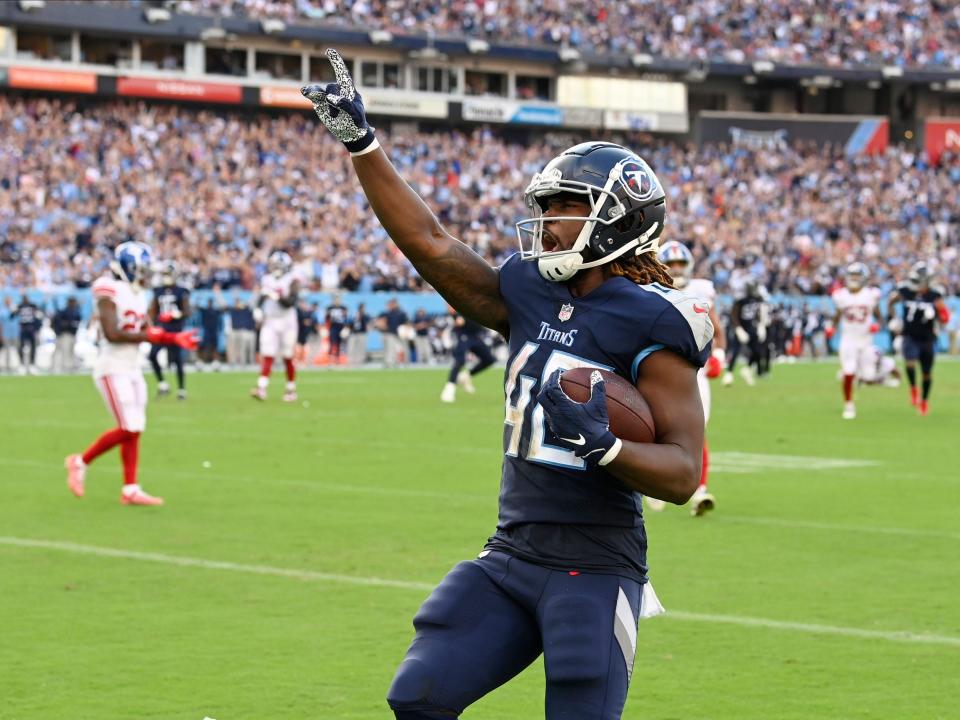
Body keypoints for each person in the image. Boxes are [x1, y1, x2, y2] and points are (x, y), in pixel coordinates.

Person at [303, 53, 711, 720]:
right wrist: (363, 146)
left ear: (619, 221)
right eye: (545, 207)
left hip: (596, 564)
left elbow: (683, 472)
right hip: (511, 552)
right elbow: (431, 244)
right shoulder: (526, 289)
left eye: (566, 209)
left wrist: (607, 447)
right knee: (418, 696)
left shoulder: (654, 322)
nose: (548, 222)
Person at [64, 242, 198, 506]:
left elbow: (148, 330)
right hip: (111, 367)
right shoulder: (107, 289)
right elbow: (114, 334)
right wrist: (153, 334)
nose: (146, 274)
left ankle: (130, 489)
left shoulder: (138, 293)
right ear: (127, 267)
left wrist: (174, 338)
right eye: (142, 269)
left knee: (136, 429)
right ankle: (80, 461)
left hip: (132, 367)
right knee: (128, 426)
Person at [651, 240, 726, 516]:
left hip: (696, 371)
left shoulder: (701, 290)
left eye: (681, 264)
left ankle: (700, 491)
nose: (677, 269)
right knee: (652, 427)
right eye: (671, 264)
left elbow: (717, 330)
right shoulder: (648, 289)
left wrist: (719, 356)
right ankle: (651, 482)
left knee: (698, 429)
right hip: (658, 371)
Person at [886, 262, 950, 416]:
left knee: (927, 373)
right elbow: (891, 302)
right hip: (910, 336)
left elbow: (945, 317)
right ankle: (914, 388)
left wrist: (936, 315)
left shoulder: (934, 295)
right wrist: (894, 318)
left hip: (927, 338)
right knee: (910, 363)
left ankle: (924, 401)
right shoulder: (906, 291)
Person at [826, 262, 883, 419]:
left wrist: (877, 325)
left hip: (866, 340)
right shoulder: (841, 296)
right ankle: (849, 405)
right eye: (852, 276)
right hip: (848, 339)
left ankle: (875, 368)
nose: (854, 279)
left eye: (857, 276)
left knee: (869, 376)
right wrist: (832, 326)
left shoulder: (870, 295)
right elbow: (837, 314)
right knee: (849, 372)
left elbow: (879, 315)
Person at [250, 251, 299, 402]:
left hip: (287, 321)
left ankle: (291, 389)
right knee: (268, 354)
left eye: (279, 265)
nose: (276, 268)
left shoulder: (292, 280)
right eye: (274, 265)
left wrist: (277, 296)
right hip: (270, 320)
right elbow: (260, 298)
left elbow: (290, 302)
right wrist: (258, 309)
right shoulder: (266, 279)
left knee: (287, 356)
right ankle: (262, 388)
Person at [149, 261, 191, 400]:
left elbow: (187, 311)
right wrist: (154, 321)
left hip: (175, 330)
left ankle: (181, 390)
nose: (167, 276)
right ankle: (162, 384)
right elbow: (153, 310)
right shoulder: (158, 290)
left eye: (169, 273)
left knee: (177, 359)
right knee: (152, 355)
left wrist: (175, 314)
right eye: (165, 274)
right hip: (161, 331)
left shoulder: (181, 291)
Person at [439, 307, 495, 403]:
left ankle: (466, 375)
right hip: (463, 334)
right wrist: (455, 316)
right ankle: (449, 388)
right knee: (460, 361)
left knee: (489, 359)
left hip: (475, 334)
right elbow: (450, 306)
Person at [722, 279, 764, 387]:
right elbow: (734, 314)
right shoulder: (741, 299)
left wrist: (760, 325)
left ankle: (747, 369)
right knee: (735, 351)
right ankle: (728, 374)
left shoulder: (757, 298)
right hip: (741, 327)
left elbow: (758, 312)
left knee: (757, 351)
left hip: (751, 327)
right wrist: (738, 329)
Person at [51, 296, 82, 373]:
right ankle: (63, 367)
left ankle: (69, 367)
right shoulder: (64, 311)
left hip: (71, 334)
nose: (73, 303)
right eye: (72, 302)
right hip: (64, 334)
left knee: (70, 351)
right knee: (63, 351)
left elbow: (76, 323)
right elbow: (58, 322)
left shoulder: (76, 312)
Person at [376, 298, 408, 368]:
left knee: (400, 349)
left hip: (399, 334)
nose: (391, 305)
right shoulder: (387, 313)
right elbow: (380, 323)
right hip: (390, 333)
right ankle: (389, 363)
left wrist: (405, 331)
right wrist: (382, 326)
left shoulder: (401, 313)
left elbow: (406, 323)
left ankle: (401, 362)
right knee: (390, 349)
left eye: (393, 304)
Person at [16, 294, 43, 375]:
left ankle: (32, 364)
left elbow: (39, 316)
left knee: (33, 347)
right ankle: (22, 364)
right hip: (23, 329)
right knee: (21, 347)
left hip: (31, 329)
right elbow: (12, 315)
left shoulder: (33, 306)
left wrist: (37, 327)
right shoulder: (19, 306)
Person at [326, 292, 348, 363]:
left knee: (339, 343)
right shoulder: (330, 308)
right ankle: (330, 358)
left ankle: (337, 359)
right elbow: (326, 318)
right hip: (333, 327)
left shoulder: (343, 308)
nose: (337, 300)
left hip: (340, 327)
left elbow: (346, 318)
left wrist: (346, 327)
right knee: (332, 342)